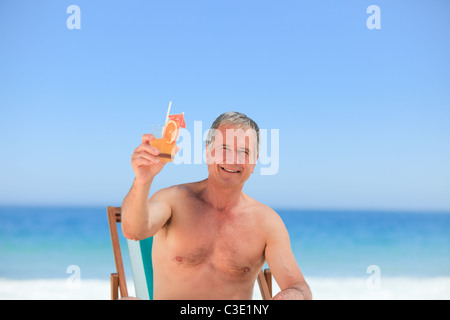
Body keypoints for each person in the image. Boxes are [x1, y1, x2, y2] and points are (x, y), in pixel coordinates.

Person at [121, 111, 312, 300]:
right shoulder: (173, 200)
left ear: (254, 162)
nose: (233, 159)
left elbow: (299, 287)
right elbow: (133, 230)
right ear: (207, 153)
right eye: (224, 149)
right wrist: (142, 181)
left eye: (244, 152)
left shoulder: (267, 222)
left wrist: (293, 295)